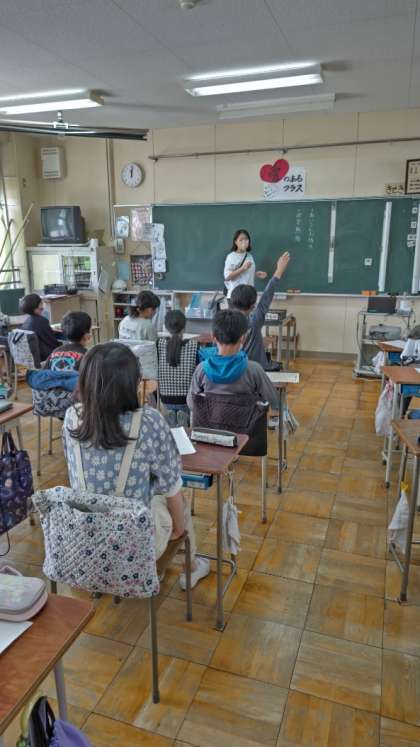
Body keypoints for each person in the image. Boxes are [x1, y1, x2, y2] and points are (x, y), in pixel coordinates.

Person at [63, 342, 209, 589]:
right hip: (135, 541)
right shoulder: (149, 420)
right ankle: (189, 567)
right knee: (176, 500)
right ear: (131, 382)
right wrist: (177, 532)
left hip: (85, 537)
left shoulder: (72, 417)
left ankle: (143, 569)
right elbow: (171, 487)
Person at [187, 309, 278, 413]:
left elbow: (191, 404)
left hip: (210, 422)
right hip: (244, 423)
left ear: (213, 337)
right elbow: (273, 400)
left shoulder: (201, 370)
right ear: (243, 338)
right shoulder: (254, 370)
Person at [230, 252, 290, 370]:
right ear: (253, 306)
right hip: (255, 369)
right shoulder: (254, 321)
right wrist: (279, 271)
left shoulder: (226, 321)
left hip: (233, 369)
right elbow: (266, 296)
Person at [157, 310, 199, 426]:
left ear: (166, 327)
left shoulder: (159, 344)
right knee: (185, 421)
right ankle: (183, 421)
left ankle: (171, 420)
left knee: (170, 423)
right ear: (184, 327)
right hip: (185, 398)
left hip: (166, 398)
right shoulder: (194, 345)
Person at [223, 229, 267, 300]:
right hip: (236, 296)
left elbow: (244, 275)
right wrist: (242, 268)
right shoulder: (231, 256)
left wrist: (255, 274)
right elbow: (227, 277)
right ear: (236, 242)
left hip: (249, 295)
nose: (244, 242)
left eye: (246, 239)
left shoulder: (249, 256)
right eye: (241, 240)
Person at [20, 293, 61, 361]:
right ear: (37, 305)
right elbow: (52, 343)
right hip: (45, 357)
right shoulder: (42, 321)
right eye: (41, 302)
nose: (43, 305)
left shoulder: (27, 321)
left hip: (33, 357)